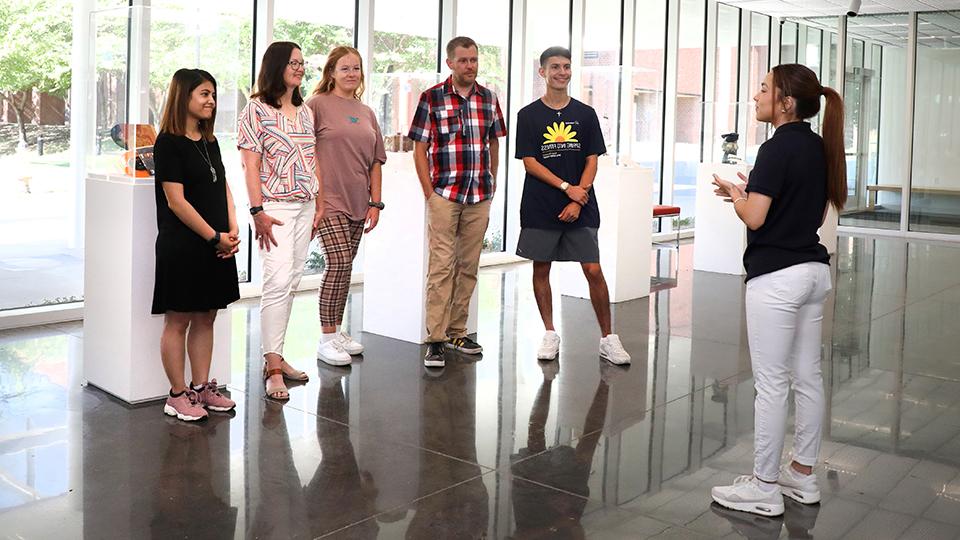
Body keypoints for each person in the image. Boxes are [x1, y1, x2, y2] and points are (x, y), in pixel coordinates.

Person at [710, 64, 846, 517]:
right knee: (808, 378)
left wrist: (735, 196)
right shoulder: (816, 146)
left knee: (770, 385)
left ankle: (765, 486)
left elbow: (755, 219)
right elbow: (790, 204)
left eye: (764, 88)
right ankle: (802, 476)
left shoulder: (774, 148)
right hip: (812, 271)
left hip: (777, 277)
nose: (756, 95)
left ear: (786, 102)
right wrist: (747, 193)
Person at [514, 46, 631, 365]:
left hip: (582, 204)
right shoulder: (528, 115)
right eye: (555, 67)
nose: (561, 72)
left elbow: (592, 159)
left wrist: (579, 197)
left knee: (593, 268)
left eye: (566, 66)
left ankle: (608, 338)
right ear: (543, 72)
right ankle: (550, 333)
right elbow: (529, 162)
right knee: (541, 268)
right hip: (541, 205)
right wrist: (568, 188)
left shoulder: (585, 114)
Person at [408, 36, 507, 368]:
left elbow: (494, 143)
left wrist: (491, 182)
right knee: (441, 267)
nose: (470, 66)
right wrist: (429, 192)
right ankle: (435, 339)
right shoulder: (431, 98)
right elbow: (419, 149)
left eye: (474, 60)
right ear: (450, 62)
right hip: (445, 195)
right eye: (463, 60)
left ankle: (456, 331)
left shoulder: (489, 99)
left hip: (479, 195)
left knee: (468, 266)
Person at [152, 68, 240, 422]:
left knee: (207, 316)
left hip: (217, 242)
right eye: (204, 94)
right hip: (184, 245)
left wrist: (232, 228)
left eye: (213, 95)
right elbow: (176, 202)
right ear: (183, 97)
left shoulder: (210, 141)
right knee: (179, 320)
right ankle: (176, 395)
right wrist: (213, 236)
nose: (211, 101)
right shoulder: (168, 143)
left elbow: (224, 187)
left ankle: (202, 388)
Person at [238, 41, 322, 400]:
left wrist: (319, 202)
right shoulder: (256, 110)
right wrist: (257, 211)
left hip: (306, 206)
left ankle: (277, 355)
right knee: (276, 282)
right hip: (274, 207)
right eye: (293, 63)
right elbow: (250, 164)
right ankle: (273, 368)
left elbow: (312, 157)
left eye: (302, 63)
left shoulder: (305, 111)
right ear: (276, 66)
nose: (300, 68)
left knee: (290, 283)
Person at [306, 46, 386, 367]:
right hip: (328, 201)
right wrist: (314, 199)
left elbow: (376, 162)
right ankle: (326, 338)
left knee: (346, 268)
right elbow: (305, 151)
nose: (351, 74)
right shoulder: (316, 105)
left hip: (359, 201)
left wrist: (375, 202)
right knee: (338, 263)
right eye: (344, 69)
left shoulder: (366, 112)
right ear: (331, 73)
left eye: (356, 68)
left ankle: (336, 331)